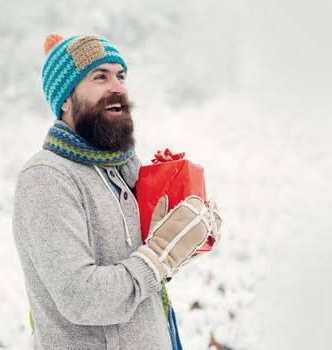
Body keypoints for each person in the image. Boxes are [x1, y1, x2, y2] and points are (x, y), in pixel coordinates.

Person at [12, 34, 222, 350]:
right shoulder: (47, 177)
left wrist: (187, 242)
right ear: (65, 99)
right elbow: (82, 298)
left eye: (120, 76)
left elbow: (145, 276)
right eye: (100, 77)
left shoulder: (123, 169)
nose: (118, 87)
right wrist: (158, 258)